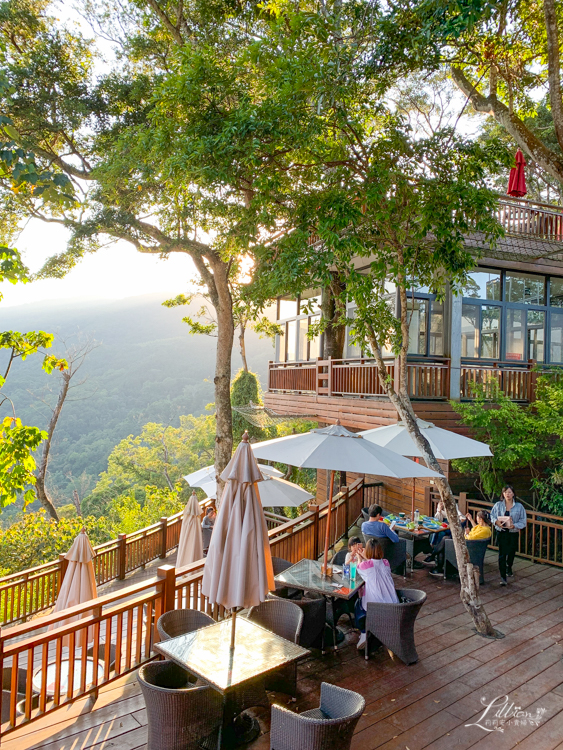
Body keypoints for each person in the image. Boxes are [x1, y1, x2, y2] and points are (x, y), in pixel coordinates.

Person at [354, 538, 399, 650]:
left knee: (357, 604)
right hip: (394, 607)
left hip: (376, 608)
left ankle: (364, 633)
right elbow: (374, 564)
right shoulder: (386, 563)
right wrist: (365, 557)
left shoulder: (365, 566)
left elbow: (360, 567)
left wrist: (360, 557)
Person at [423, 510, 491, 577]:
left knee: (444, 541)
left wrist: (466, 533)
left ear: (481, 519)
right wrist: (471, 520)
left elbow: (470, 538)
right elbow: (476, 529)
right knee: (445, 539)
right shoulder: (483, 528)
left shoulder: (484, 531)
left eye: (477, 518)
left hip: (467, 548)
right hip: (468, 546)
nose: (477, 519)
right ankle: (434, 557)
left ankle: (435, 560)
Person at [490, 484, 527, 586]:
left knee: (511, 552)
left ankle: (509, 566)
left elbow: (523, 521)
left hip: (513, 533)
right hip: (501, 532)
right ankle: (503, 577)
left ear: (513, 494)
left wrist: (514, 525)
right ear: (503, 494)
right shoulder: (498, 505)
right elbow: (492, 515)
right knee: (502, 554)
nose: (508, 494)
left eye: (510, 492)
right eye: (506, 492)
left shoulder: (519, 507)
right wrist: (496, 522)